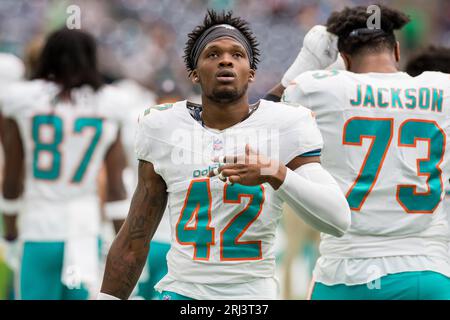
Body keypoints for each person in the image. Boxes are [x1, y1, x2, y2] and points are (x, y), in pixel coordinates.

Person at [98, 9, 351, 300]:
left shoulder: (285, 126)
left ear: (251, 72)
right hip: (183, 293)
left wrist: (277, 173)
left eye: (237, 55)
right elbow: (134, 238)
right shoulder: (163, 128)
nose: (226, 59)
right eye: (213, 54)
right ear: (193, 73)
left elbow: (338, 219)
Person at [267, 5, 450, 299]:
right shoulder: (444, 88)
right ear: (398, 51)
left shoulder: (320, 89)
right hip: (424, 272)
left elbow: (256, 126)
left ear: (345, 59)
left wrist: (305, 64)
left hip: (346, 275)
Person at [0, 28, 128, 300]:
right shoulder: (110, 103)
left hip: (38, 227)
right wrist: (126, 244)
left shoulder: (23, 99)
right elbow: (116, 188)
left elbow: (12, 179)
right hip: (84, 229)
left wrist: (10, 230)